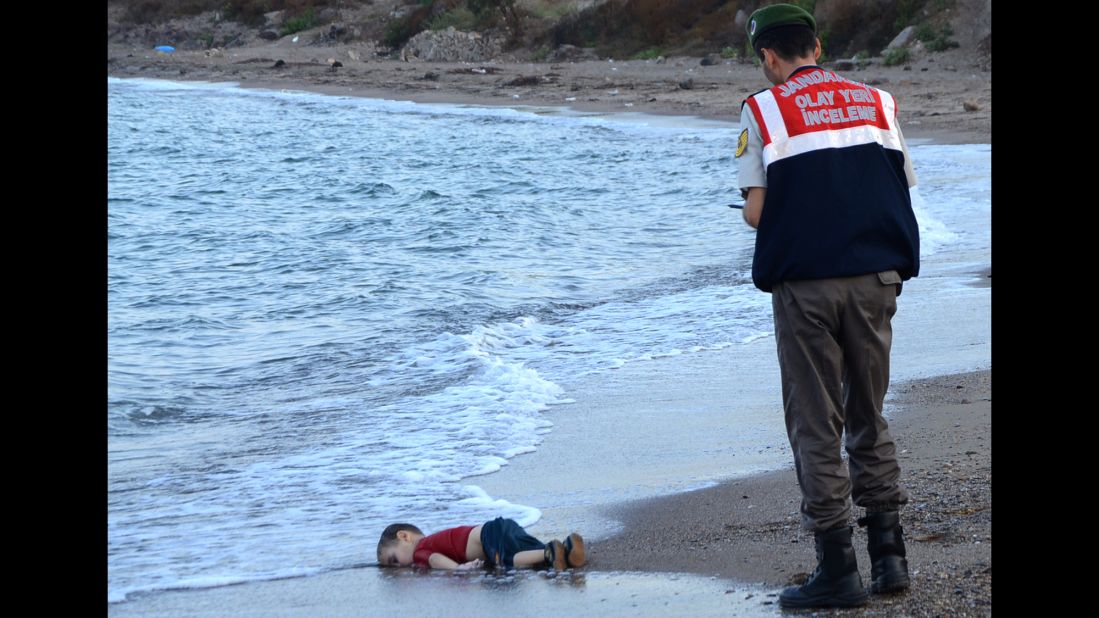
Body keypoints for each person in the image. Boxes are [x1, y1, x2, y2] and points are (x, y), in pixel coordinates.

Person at [735, 4, 920, 610]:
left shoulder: (762, 108)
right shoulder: (879, 101)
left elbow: (759, 213)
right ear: (816, 44)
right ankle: (891, 561)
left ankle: (838, 569)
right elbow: (901, 183)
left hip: (807, 286)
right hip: (876, 279)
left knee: (816, 421)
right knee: (869, 411)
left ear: (767, 55)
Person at [376, 517, 586, 571]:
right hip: (500, 527)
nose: (398, 566)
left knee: (508, 561)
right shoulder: (434, 540)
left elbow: (434, 559)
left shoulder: (420, 550)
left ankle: (550, 552)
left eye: (393, 560)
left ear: (404, 537)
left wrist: (458, 568)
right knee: (530, 553)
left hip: (488, 536)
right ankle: (565, 549)